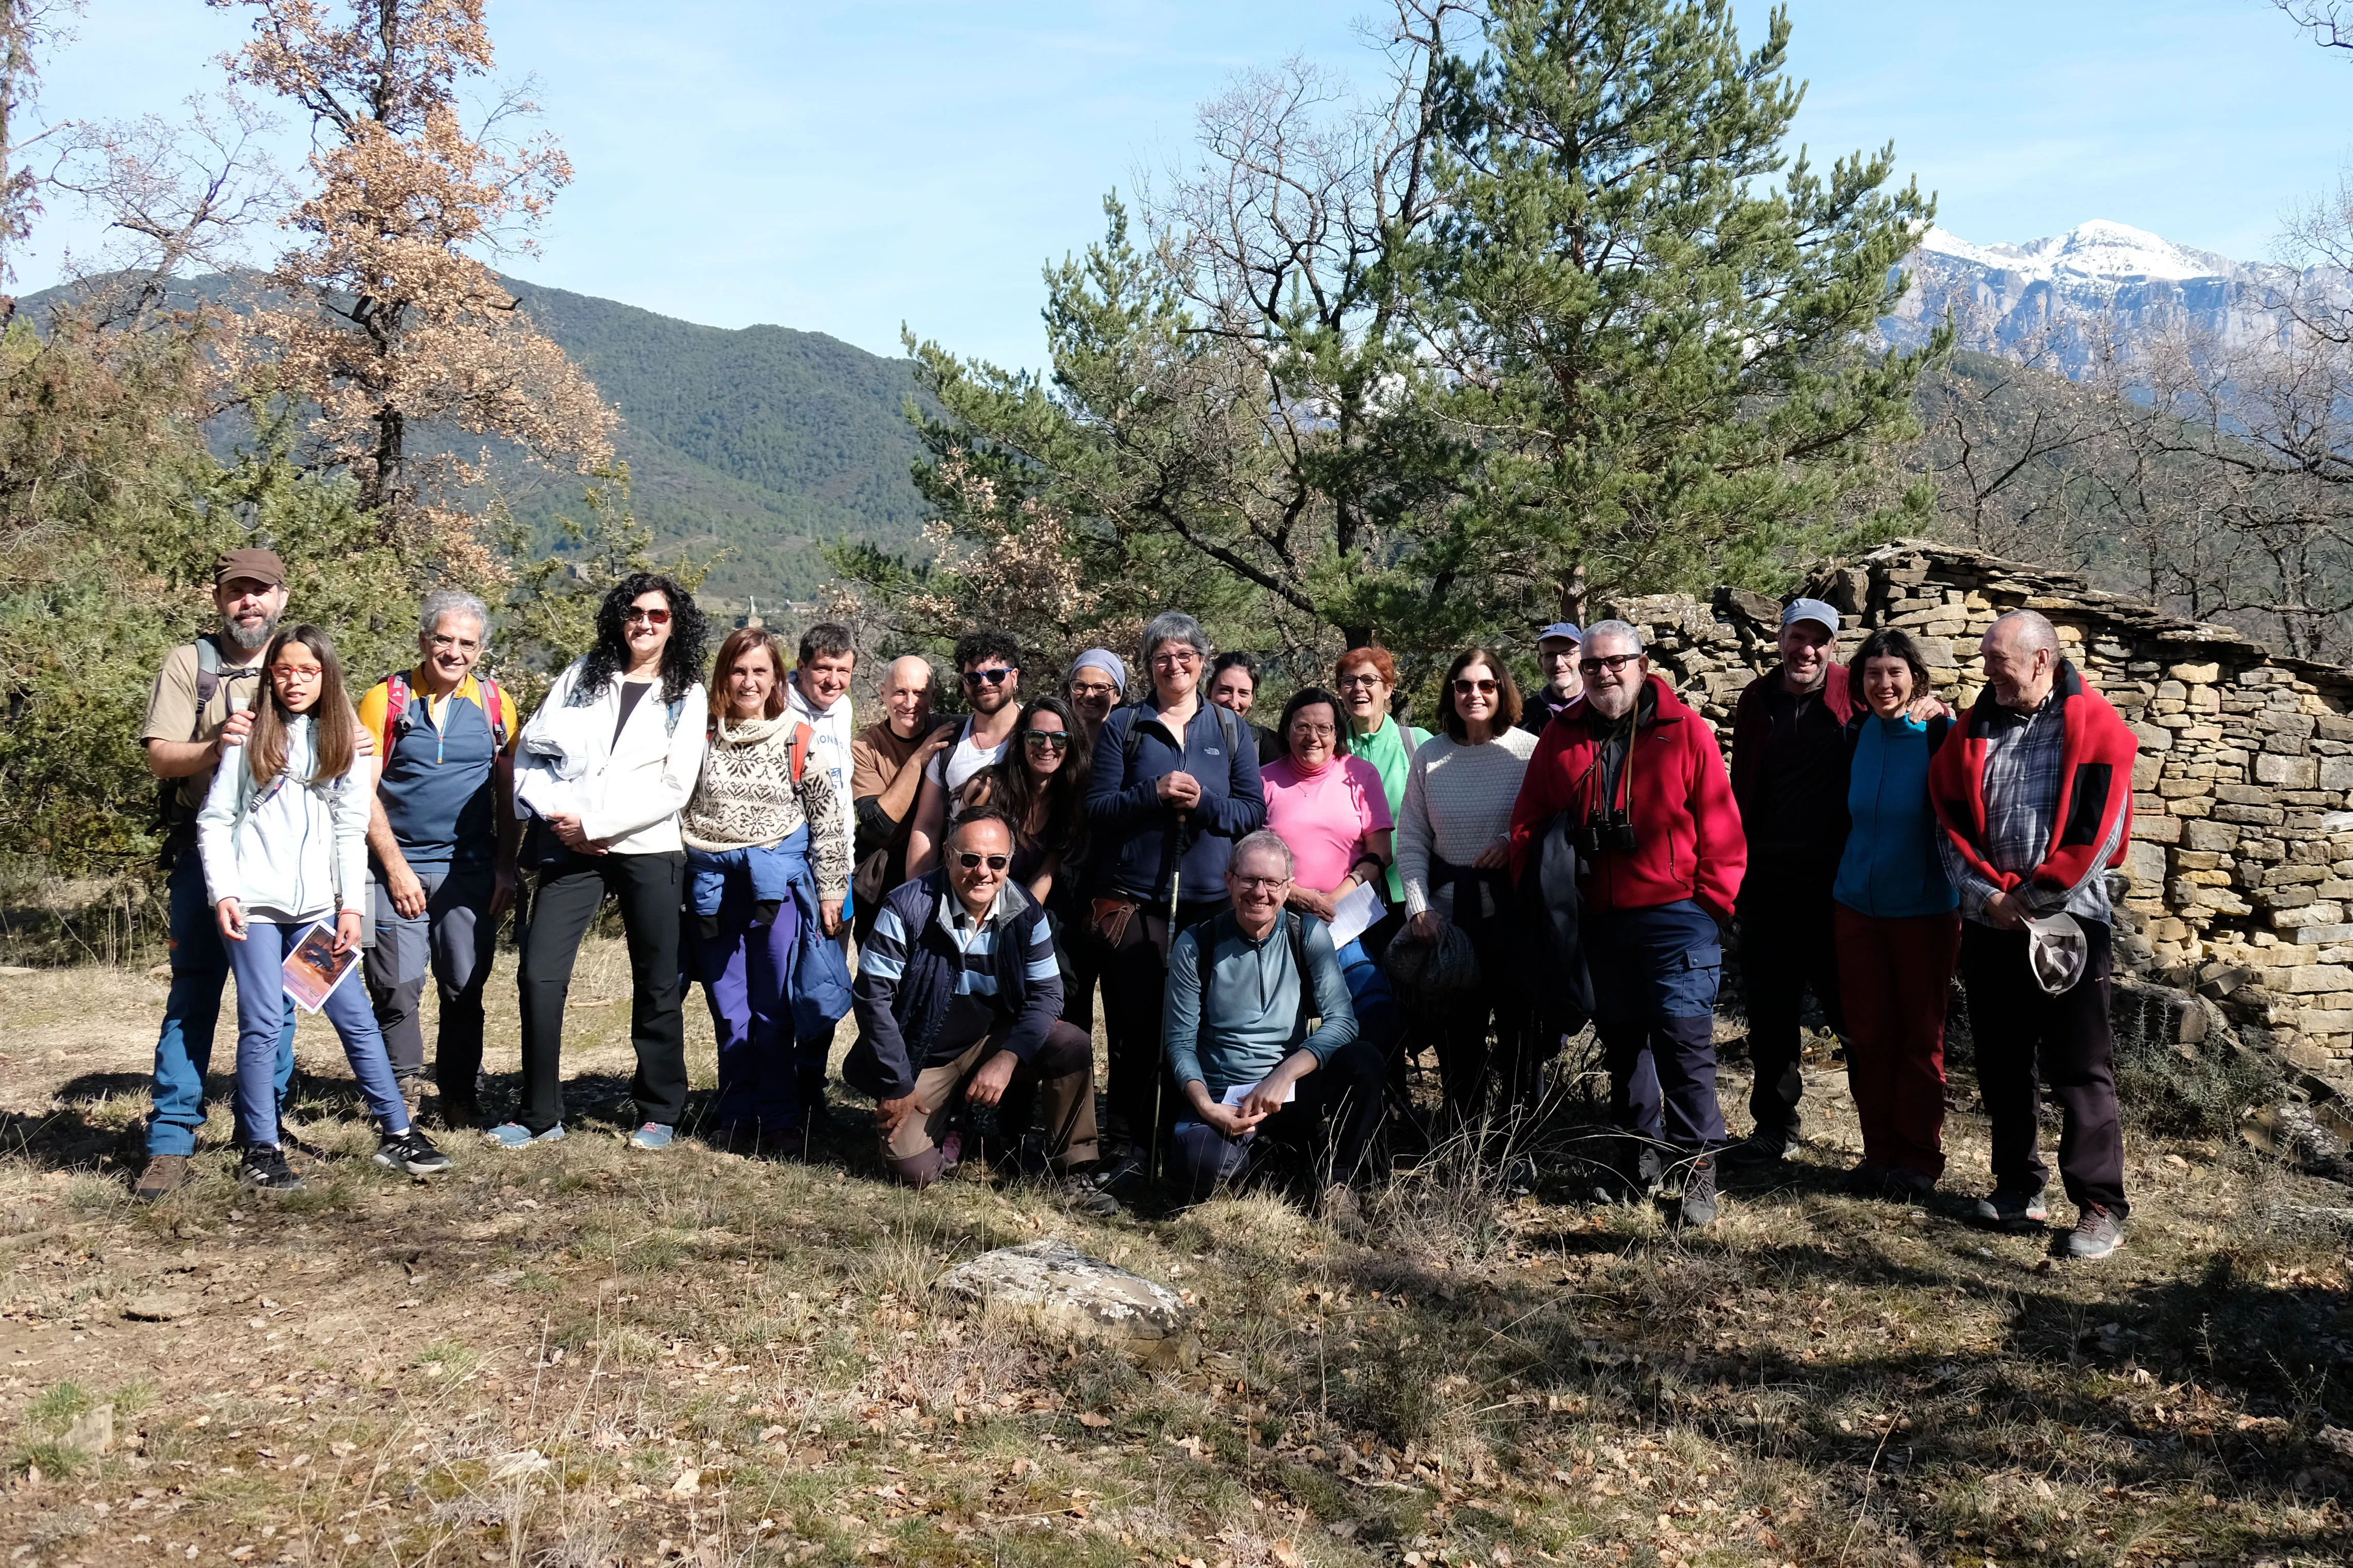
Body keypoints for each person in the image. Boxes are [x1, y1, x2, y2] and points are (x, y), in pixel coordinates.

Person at [1509, 621, 1746, 1226]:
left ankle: (1697, 1167)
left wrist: (1709, 905)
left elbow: (1720, 825)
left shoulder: (1682, 730)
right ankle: (1635, 1159)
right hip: (1598, 920)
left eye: (1615, 663)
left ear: (1641, 664)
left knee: (1683, 1041)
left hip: (1675, 916)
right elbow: (1528, 824)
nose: (1603, 675)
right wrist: (1546, 897)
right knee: (1623, 1046)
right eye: (1591, 667)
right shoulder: (1560, 737)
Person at [198, 624, 449, 1191]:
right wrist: (225, 894)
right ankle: (261, 1148)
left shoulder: (346, 741)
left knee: (354, 1019)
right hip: (256, 911)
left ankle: (397, 1132)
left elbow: (349, 828)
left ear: (325, 676)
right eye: (284, 670)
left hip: (315, 911)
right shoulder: (247, 739)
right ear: (271, 676)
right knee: (262, 1024)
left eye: (308, 671)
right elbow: (215, 820)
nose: (295, 681)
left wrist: (350, 909)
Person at [1929, 609, 2137, 1260]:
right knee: (2001, 1063)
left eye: (1998, 659)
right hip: (1989, 922)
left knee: (2079, 1068)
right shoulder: (1970, 730)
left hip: (2070, 922)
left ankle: (2099, 1204)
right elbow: (1947, 826)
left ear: (2041, 659)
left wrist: (2033, 900)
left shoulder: (2097, 727)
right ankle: (2018, 1185)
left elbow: (2099, 834)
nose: (1986, 670)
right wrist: (1987, 897)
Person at [502, 574, 710, 1153]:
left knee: (657, 981)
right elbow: (531, 755)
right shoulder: (579, 678)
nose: (645, 624)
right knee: (539, 974)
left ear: (675, 625)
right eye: (635, 613)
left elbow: (676, 787)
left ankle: (659, 1110)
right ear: (620, 618)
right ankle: (539, 1112)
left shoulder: (686, 692)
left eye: (658, 616)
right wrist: (562, 818)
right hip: (571, 846)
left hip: (647, 847)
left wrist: (599, 827)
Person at [133, 547, 304, 1201]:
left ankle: (262, 1132)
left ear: (282, 598)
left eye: (261, 590)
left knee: (277, 1002)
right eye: (238, 591)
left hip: (285, 865)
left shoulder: (301, 662)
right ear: (219, 599)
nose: (249, 602)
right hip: (204, 858)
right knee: (194, 994)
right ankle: (171, 1140)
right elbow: (160, 757)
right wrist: (217, 745)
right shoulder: (191, 664)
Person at [843, 808, 1119, 1215]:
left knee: (1070, 1042)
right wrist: (898, 1084)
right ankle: (954, 1123)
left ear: (1009, 863)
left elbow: (1047, 995)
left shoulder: (1026, 912)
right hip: (923, 1052)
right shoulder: (906, 907)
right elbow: (872, 1001)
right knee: (911, 1170)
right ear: (948, 855)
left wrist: (1009, 1058)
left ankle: (1070, 1170)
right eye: (970, 859)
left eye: (996, 862)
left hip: (992, 1041)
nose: (983, 873)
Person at [1085, 611, 1268, 1170]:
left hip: (1211, 905)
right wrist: (1152, 793)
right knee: (1133, 1028)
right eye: (1162, 656)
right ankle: (1127, 1146)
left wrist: (1203, 806)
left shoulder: (1230, 729)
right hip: (1137, 903)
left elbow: (1252, 813)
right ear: (1148, 665)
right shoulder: (1125, 725)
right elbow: (1097, 810)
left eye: (1184, 656)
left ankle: (1182, 1139)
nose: (1174, 665)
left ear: (1201, 661)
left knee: (1194, 1027)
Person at [684, 627, 853, 1154]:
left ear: (778, 678)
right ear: (723, 676)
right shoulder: (699, 738)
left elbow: (828, 820)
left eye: (760, 671)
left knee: (774, 1007)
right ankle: (735, 1110)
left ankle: (779, 1116)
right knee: (728, 1005)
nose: (749, 682)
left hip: (776, 891)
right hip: (713, 888)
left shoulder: (795, 738)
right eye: (739, 671)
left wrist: (831, 892)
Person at [355, 589, 519, 1131]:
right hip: (392, 866)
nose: (453, 652)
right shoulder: (387, 700)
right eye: (443, 639)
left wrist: (505, 867)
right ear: (425, 640)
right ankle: (396, 1093)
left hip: (470, 871)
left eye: (466, 643)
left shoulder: (496, 705)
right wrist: (395, 867)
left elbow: (506, 797)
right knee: (397, 985)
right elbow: (363, 792)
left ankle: (459, 1096)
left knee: (464, 987)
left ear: (480, 650)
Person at [1161, 831, 1383, 1210]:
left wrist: (1283, 1075)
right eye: (1248, 879)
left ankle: (1337, 1181)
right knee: (1194, 1162)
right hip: (1224, 1095)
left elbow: (1343, 1021)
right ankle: (1271, 1159)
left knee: (1364, 1060)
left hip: (1290, 1091)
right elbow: (1179, 1043)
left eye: (1271, 882)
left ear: (1288, 888)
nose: (1259, 892)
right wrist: (1205, 1106)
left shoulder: (1307, 934)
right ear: (1228, 879)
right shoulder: (1196, 943)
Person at [1721, 598, 1855, 1169]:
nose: (1805, 650)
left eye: (1817, 640)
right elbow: (1740, 785)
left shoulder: (1855, 693)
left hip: (1839, 885)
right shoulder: (1758, 700)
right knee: (1771, 1015)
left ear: (1832, 645)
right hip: (1768, 881)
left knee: (1853, 1015)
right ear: (1779, 640)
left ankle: (1886, 1138)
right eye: (1795, 638)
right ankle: (1773, 1127)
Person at [1831, 628, 1958, 1201]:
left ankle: (1918, 1161)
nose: (1883, 684)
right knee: (1867, 1036)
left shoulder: (1938, 733)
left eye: (1894, 673)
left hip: (1924, 912)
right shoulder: (1856, 733)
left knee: (1918, 1041)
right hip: (1855, 907)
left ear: (1915, 678)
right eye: (1872, 673)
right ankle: (1877, 1154)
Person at [1396, 649, 1544, 1131]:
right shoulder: (1430, 755)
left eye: (1485, 685)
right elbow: (1413, 838)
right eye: (1463, 685)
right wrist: (1417, 907)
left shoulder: (1526, 751)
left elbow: (1544, 822)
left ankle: (1515, 1134)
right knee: (1459, 1034)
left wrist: (1510, 841)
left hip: (1512, 913)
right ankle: (1462, 1136)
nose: (1473, 695)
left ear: (1502, 690)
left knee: (1518, 1029)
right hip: (1449, 919)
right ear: (1451, 692)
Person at [780, 622, 859, 1124]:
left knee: (824, 980)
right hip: (790, 867)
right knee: (779, 977)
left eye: (843, 671)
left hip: (840, 867)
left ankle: (809, 1086)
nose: (832, 681)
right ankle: (771, 1083)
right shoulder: (779, 709)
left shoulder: (843, 709)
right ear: (802, 668)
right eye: (823, 670)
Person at [849, 655, 954, 947]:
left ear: (932, 695)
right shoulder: (865, 747)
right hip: (881, 881)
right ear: (883, 693)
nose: (910, 703)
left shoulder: (953, 731)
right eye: (900, 692)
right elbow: (879, 824)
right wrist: (919, 759)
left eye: (920, 693)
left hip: (940, 870)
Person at [906, 628, 1025, 877]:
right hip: (960, 882)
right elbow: (928, 825)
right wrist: (915, 894)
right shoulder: (948, 745)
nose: (984, 684)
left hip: (1022, 885)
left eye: (995, 675)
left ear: (1014, 677)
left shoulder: (1037, 739)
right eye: (973, 678)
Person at [958, 693, 1091, 902]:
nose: (1047, 746)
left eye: (1059, 738)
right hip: (974, 899)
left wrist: (1022, 922)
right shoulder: (986, 791)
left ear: (1070, 745)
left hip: (1028, 905)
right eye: (1036, 737)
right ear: (1021, 740)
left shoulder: (1069, 800)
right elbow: (962, 865)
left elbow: (1045, 875)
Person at [1334, 645, 1428, 912]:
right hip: (1351, 898)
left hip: (1416, 893)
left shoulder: (1417, 743)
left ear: (1388, 689)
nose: (1358, 688)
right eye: (1349, 681)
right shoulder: (1331, 752)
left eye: (1368, 680)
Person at [1210, 651, 1284, 766]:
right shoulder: (1185, 734)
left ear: (1251, 699)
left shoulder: (1266, 743)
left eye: (1243, 693)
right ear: (1209, 692)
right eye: (1225, 691)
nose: (1234, 703)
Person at [1522, 622, 1583, 734]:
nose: (1559, 664)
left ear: (1583, 658)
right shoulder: (1526, 715)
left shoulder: (1599, 708)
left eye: (1567, 654)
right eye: (1550, 656)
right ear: (1541, 664)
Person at [1064, 649, 1127, 748]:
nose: (1089, 695)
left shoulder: (1128, 747)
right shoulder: (1057, 743)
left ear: (1117, 695)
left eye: (1100, 688)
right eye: (1081, 686)